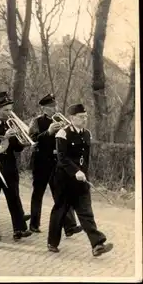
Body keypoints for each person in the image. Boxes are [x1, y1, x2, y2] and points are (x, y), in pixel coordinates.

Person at [47, 104, 113, 256]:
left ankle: (97, 244)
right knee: (61, 211)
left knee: (86, 212)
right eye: (81, 117)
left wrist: (84, 174)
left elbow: (86, 159)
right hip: (64, 180)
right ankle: (52, 242)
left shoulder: (87, 134)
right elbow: (62, 158)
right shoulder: (62, 134)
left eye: (85, 117)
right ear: (71, 118)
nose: (84, 120)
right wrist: (75, 171)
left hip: (81, 180)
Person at [28, 94, 82, 236]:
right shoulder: (36, 121)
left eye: (55, 106)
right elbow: (32, 140)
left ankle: (69, 226)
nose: (55, 109)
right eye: (51, 107)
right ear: (44, 108)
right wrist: (49, 132)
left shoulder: (62, 121)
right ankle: (34, 224)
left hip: (56, 163)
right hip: (40, 162)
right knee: (38, 194)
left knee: (61, 194)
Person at [0, 93, 32, 240]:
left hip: (10, 167)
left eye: (10, 110)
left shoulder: (11, 124)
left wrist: (22, 140)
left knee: (14, 198)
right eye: (6, 110)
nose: (9, 113)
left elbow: (17, 148)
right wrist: (6, 137)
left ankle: (19, 229)